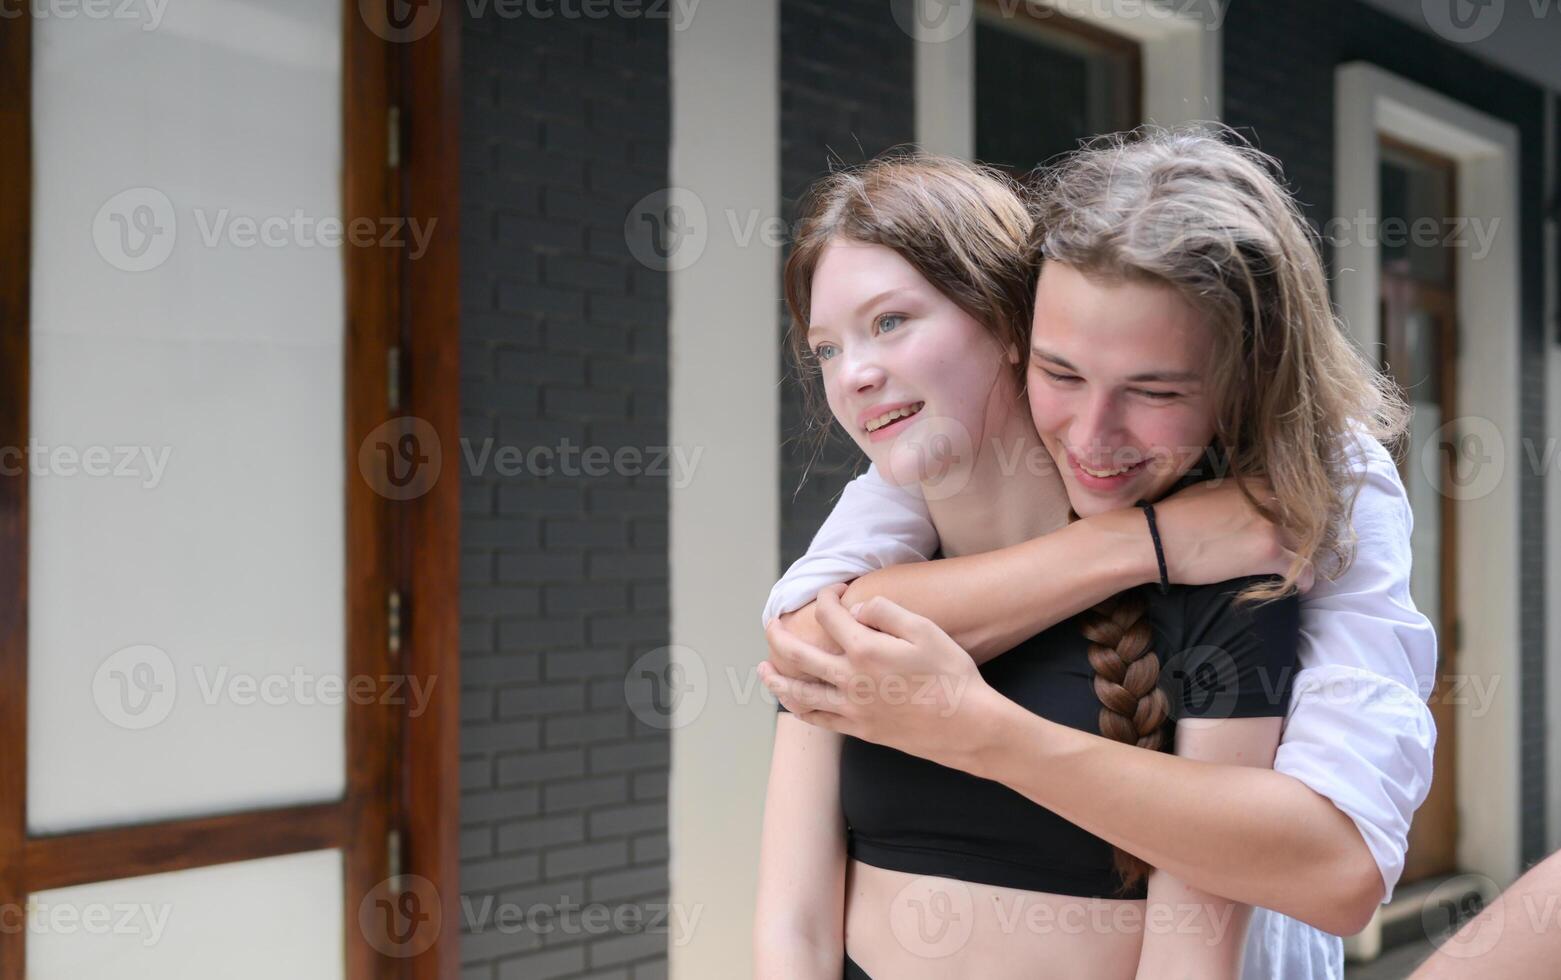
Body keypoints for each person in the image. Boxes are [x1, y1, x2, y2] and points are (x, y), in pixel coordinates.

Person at [756, 126, 1436, 980]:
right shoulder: (916, 466)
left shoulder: (1310, 497)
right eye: (1063, 374)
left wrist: (974, 729)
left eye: (1153, 392)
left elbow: (1335, 870)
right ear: (1025, 332)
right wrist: (1134, 544)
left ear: (1244, 383)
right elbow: (810, 651)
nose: (1092, 434)